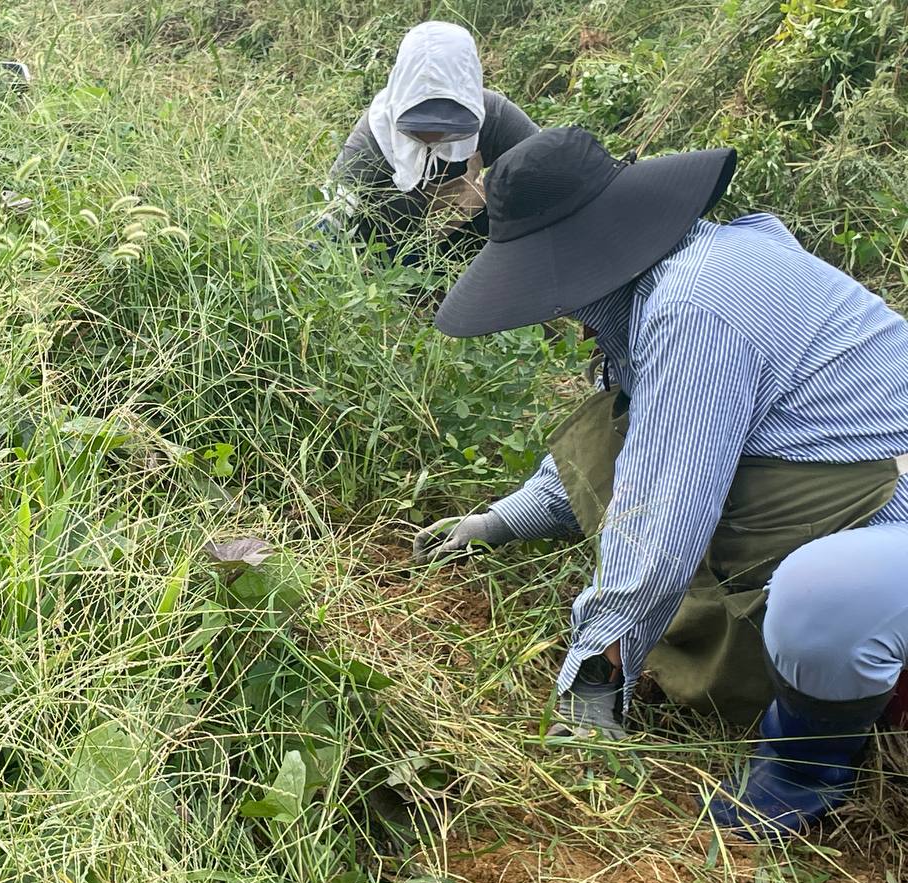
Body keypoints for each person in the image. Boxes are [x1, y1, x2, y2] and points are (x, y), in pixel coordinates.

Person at [414, 125, 908, 838]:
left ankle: (806, 770)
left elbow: (660, 512)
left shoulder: (698, 304)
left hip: (888, 527)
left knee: (826, 600)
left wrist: (596, 670)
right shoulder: (683, 274)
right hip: (844, 503)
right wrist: (497, 522)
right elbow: (633, 448)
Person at [318, 21, 539, 266]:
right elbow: (330, 216)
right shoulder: (373, 136)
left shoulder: (493, 114)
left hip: (463, 237)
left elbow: (550, 162)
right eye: (421, 129)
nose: (435, 138)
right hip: (390, 254)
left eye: (448, 130)